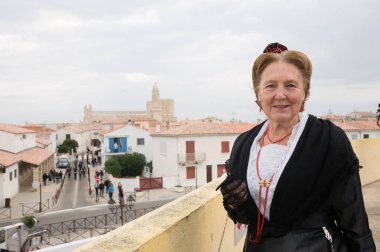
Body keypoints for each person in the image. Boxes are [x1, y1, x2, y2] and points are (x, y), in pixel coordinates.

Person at [218, 42, 376, 252]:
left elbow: (354, 220)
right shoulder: (244, 144)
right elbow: (246, 217)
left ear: (304, 93)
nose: (280, 95)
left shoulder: (328, 140)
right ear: (258, 95)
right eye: (270, 86)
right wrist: (236, 204)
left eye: (290, 85)